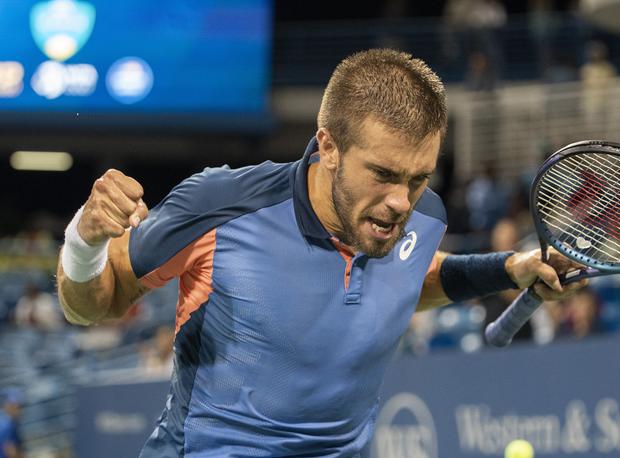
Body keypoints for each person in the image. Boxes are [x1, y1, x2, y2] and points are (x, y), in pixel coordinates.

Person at [56, 49, 585, 457]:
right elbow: (91, 305)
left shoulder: (424, 218)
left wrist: (510, 268)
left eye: (419, 177)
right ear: (327, 146)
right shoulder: (222, 205)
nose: (400, 201)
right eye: (382, 174)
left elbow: (403, 280)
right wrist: (86, 240)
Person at [0, 389, 22, 458]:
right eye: (16, 407)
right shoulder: (7, 425)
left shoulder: (8, 423)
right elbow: (11, 452)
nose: (20, 411)